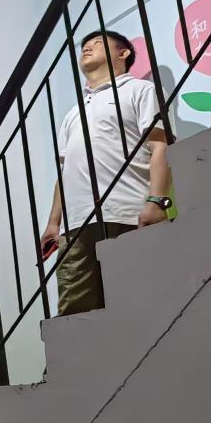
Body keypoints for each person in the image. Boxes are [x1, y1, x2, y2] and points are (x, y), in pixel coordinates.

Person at [40, 30, 174, 316]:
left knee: (137, 307)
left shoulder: (141, 90)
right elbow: (66, 171)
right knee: (75, 316)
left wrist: (157, 201)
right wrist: (54, 222)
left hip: (126, 215)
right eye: (84, 46)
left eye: (97, 44)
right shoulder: (73, 113)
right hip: (76, 226)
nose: (87, 49)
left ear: (123, 53)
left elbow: (160, 146)